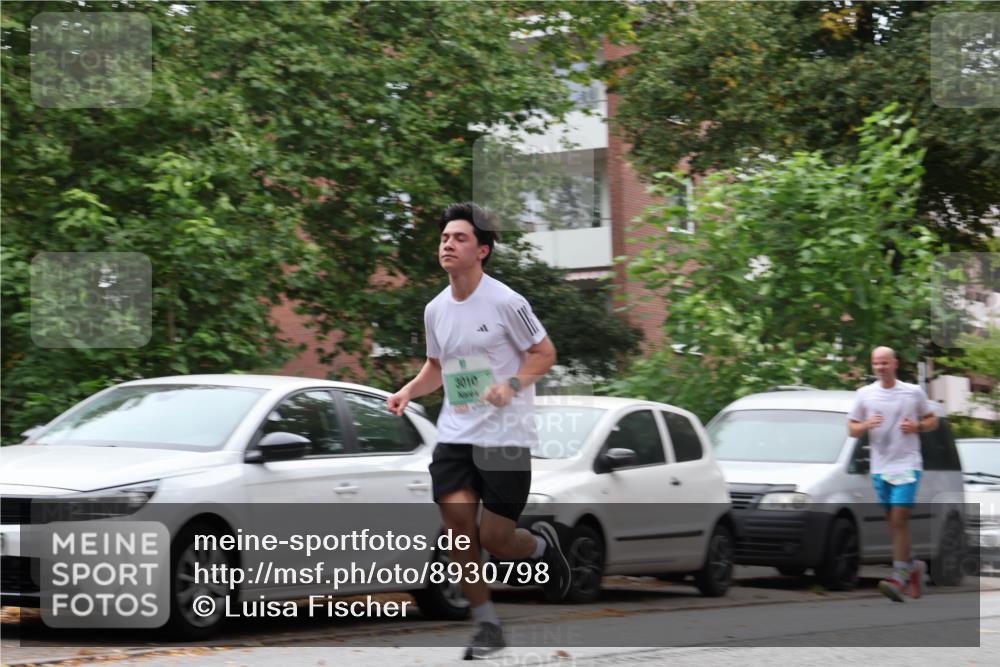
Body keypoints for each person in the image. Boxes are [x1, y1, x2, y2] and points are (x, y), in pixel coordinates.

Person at [387, 202, 571, 659]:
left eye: (460, 238)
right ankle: (486, 624)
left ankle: (540, 546)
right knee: (458, 532)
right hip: (455, 434)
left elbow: (545, 353)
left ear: (482, 250)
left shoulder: (508, 302)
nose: (448, 244)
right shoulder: (435, 309)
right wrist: (409, 391)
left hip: (505, 439)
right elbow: (437, 366)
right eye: (445, 238)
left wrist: (511, 385)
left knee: (496, 540)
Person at [848, 346, 939, 602]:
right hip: (880, 467)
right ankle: (913, 567)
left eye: (885, 363)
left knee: (900, 519)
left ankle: (898, 577)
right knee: (894, 524)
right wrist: (866, 425)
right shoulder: (864, 394)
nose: (880, 368)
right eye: (876, 363)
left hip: (907, 464)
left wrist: (918, 425)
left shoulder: (912, 392)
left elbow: (934, 420)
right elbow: (852, 429)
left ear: (895, 363)